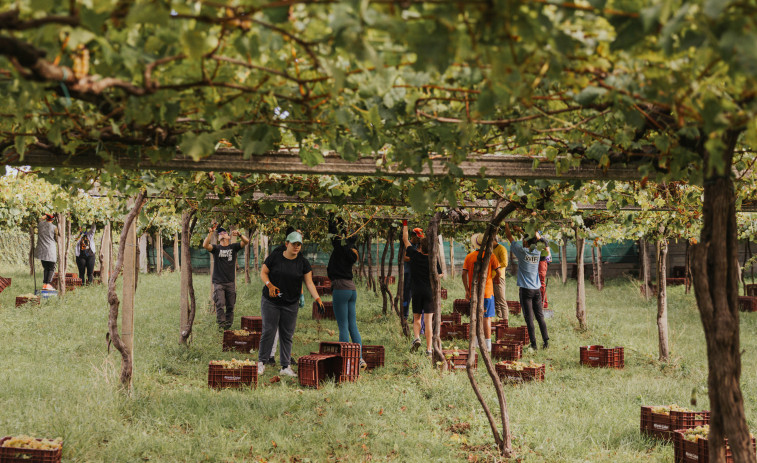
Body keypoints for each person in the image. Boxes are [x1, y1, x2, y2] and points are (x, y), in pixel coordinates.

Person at [259, 231, 325, 376]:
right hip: (271, 301)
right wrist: (269, 285)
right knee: (269, 330)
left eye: (299, 244)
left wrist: (318, 299)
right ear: (287, 243)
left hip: (290, 303)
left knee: (287, 334)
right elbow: (263, 273)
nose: (296, 247)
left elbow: (309, 282)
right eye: (294, 244)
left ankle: (285, 366)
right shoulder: (275, 257)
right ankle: (261, 362)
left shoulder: (303, 263)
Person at [327, 215, 366, 370]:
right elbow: (342, 237)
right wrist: (342, 222)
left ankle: (346, 360)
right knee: (352, 325)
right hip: (351, 289)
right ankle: (360, 358)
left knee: (343, 326)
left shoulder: (340, 248)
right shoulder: (352, 252)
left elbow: (334, 236)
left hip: (340, 288)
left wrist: (331, 219)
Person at [504, 224, 549, 350]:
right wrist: (521, 229)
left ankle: (534, 344)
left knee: (529, 318)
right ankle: (546, 342)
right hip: (536, 290)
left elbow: (509, 237)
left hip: (525, 290)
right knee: (540, 316)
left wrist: (506, 223)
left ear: (526, 242)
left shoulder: (522, 252)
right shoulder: (538, 251)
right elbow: (540, 240)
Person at [401, 221, 440, 356]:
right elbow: (440, 274)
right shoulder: (433, 260)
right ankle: (429, 350)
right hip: (429, 292)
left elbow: (405, 239)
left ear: (420, 247)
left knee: (416, 318)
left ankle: (417, 338)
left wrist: (405, 222)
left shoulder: (414, 254)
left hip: (416, 291)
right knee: (428, 321)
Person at [203, 224, 250, 330]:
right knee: (220, 304)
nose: (222, 234)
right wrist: (210, 233)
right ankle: (221, 325)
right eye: (220, 233)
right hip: (218, 282)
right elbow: (205, 245)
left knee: (230, 305)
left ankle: (228, 327)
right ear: (219, 238)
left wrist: (239, 234)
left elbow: (246, 242)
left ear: (229, 237)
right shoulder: (216, 248)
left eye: (224, 232)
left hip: (230, 282)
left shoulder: (233, 247)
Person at [462, 233, 500, 352]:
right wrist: (494, 279)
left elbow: (464, 274)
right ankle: (488, 344)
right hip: (487, 292)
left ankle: (477, 342)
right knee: (487, 318)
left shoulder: (470, 256)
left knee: (475, 317)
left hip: (474, 291)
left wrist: (467, 290)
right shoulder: (491, 256)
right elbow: (498, 272)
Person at [402, 227, 424, 321]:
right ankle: (405, 315)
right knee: (407, 295)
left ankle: (417, 316)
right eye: (417, 237)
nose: (418, 239)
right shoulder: (408, 245)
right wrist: (414, 259)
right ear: (412, 235)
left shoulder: (419, 245)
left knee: (418, 295)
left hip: (417, 274)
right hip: (409, 273)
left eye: (419, 238)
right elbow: (405, 258)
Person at [34, 213, 57, 291]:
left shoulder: (40, 224)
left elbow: (39, 219)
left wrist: (44, 216)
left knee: (46, 268)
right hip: (50, 250)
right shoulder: (54, 227)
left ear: (46, 218)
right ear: (53, 219)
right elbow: (57, 239)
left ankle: (45, 284)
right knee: (51, 268)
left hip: (41, 250)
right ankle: (48, 284)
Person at [492, 235, 509, 320]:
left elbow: (505, 263)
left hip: (499, 277)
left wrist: (495, 266)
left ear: (494, 240)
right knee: (496, 299)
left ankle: (505, 320)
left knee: (501, 299)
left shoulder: (502, 249)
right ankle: (499, 317)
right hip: (491, 276)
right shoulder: (491, 249)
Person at [539, 240, 551, 310]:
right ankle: (537, 302)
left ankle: (544, 303)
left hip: (541, 262)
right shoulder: (529, 238)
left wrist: (548, 258)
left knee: (541, 283)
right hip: (533, 262)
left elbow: (548, 250)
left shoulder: (542, 240)